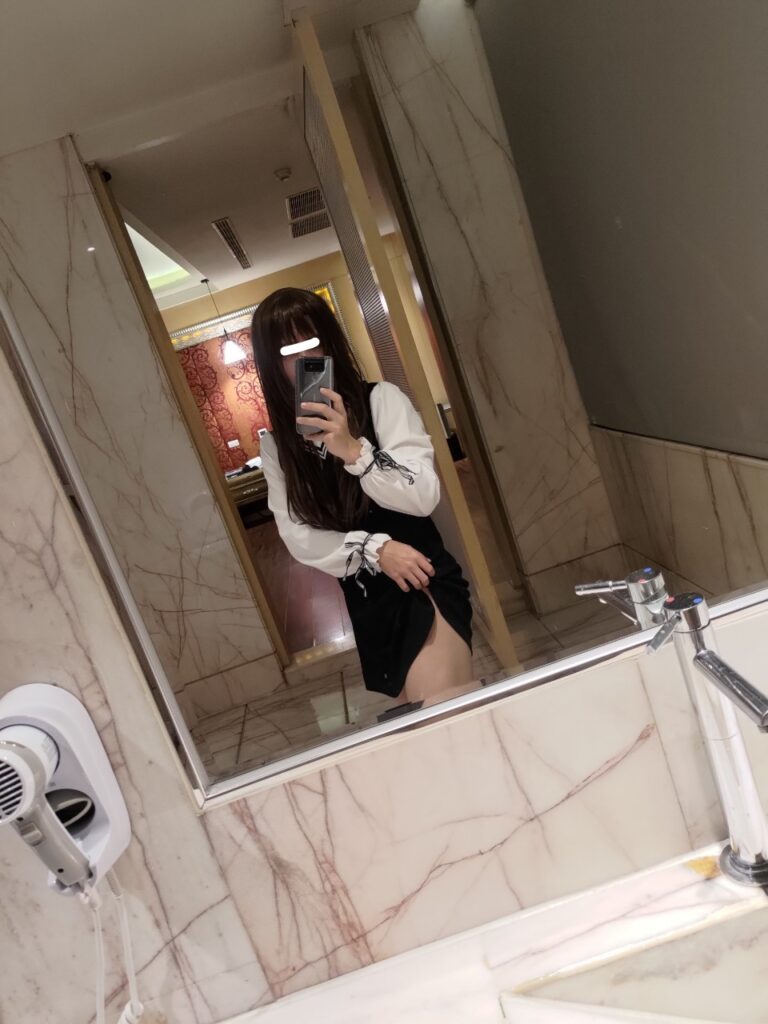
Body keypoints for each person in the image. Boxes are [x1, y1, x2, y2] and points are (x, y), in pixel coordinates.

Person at [251, 287, 474, 707]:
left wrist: (354, 450)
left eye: (311, 344)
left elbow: (424, 497)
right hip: (368, 602)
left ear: (330, 343)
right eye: (287, 351)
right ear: (270, 364)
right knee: (418, 723)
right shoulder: (277, 447)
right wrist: (376, 549)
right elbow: (297, 536)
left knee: (444, 715)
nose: (303, 359)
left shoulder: (381, 400)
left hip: (421, 581)